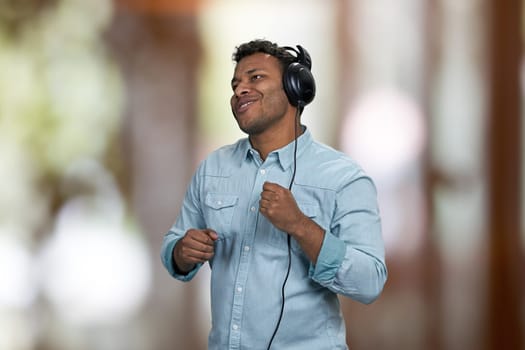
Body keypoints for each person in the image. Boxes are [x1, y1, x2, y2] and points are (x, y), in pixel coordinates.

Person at [161, 39, 387, 350]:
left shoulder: (344, 177)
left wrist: (299, 225)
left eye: (255, 77)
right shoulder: (213, 167)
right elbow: (174, 245)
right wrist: (181, 253)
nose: (240, 89)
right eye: (235, 83)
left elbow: (369, 282)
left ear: (296, 88)